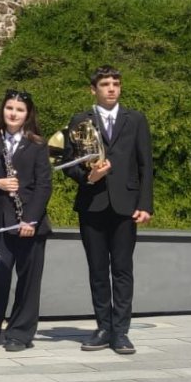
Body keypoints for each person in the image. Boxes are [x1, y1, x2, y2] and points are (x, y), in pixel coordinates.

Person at [63, 66, 153, 355]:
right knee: (98, 270)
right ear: (94, 90)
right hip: (92, 203)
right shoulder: (80, 120)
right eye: (105, 84)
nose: (111, 88)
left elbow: (145, 165)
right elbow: (68, 162)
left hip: (126, 205)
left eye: (115, 83)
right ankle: (103, 327)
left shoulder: (135, 119)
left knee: (123, 270)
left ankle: (121, 332)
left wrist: (145, 204)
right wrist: (88, 177)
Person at [0, 89, 52, 353]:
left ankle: (20, 333)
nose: (13, 113)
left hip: (30, 223)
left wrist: (30, 219)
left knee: (28, 281)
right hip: (0, 222)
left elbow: (44, 186)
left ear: (27, 114)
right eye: (9, 108)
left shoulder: (38, 145)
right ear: (3, 111)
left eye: (19, 110)